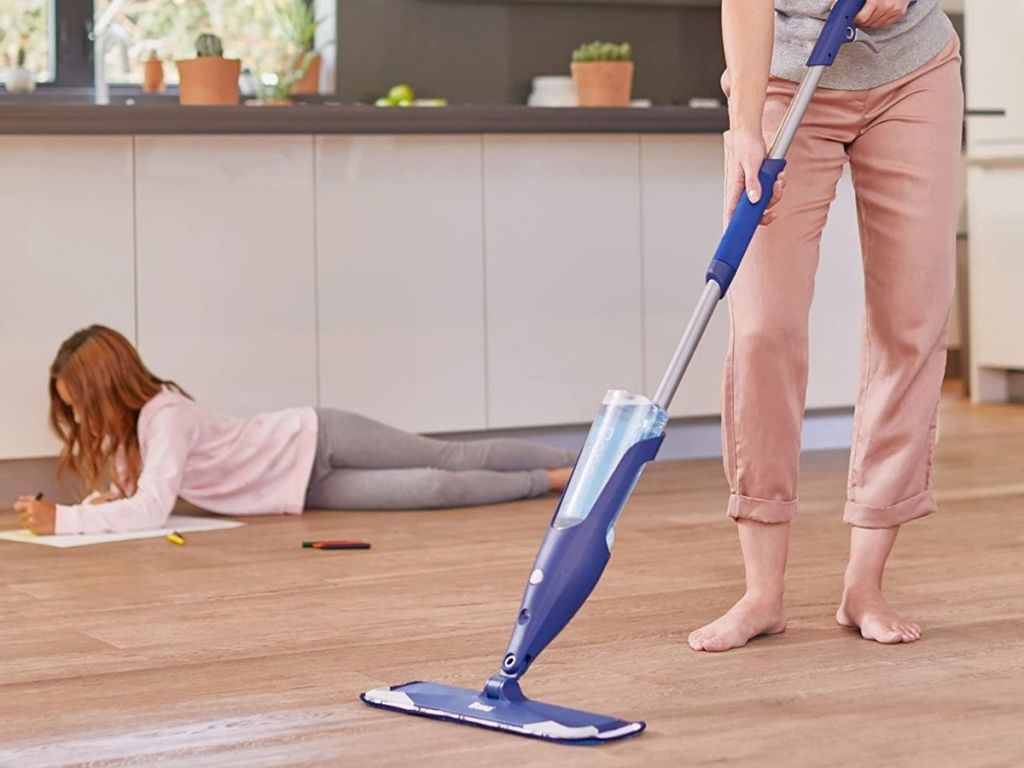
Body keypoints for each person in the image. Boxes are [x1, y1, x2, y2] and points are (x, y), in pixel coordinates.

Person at [688, 0, 961, 651]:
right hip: (784, 75)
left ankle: (865, 584)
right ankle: (762, 593)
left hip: (912, 72)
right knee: (762, 326)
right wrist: (745, 127)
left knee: (910, 320)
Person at [13, 325, 575, 536]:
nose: (81, 421)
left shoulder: (166, 415)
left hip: (317, 436)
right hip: (301, 489)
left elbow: (151, 509)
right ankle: (547, 482)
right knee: (433, 489)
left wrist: (64, 519)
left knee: (448, 458)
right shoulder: (125, 437)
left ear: (109, 387)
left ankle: (578, 464)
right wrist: (95, 501)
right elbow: (130, 496)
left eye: (82, 406)